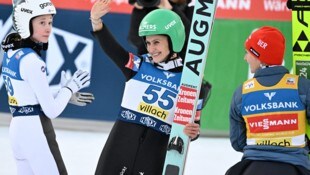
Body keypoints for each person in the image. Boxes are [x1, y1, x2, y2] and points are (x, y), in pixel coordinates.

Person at [90, 0, 210, 174]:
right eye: (147, 43)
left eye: (156, 42)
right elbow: (112, 49)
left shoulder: (190, 81)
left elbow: (194, 128)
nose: (151, 48)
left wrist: (192, 131)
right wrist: (96, 21)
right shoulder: (139, 65)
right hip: (119, 150)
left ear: (173, 40)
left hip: (153, 156)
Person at [1, 0, 93, 174]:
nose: (48, 28)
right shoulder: (33, 61)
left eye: (50, 22)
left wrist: (60, 92)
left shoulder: (11, 53)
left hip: (17, 130)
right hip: (36, 131)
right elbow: (51, 110)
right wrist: (69, 88)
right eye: (41, 22)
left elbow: (28, 95)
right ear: (26, 23)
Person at [226, 26, 310, 175]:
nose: (245, 58)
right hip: (295, 167)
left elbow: (238, 143)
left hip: (252, 167)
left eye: (248, 53)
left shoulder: (242, 93)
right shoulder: (302, 86)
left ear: (259, 57)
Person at [127, 0, 194, 57]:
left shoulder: (191, 11)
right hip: (150, 65)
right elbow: (135, 40)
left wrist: (171, 10)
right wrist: (139, 8)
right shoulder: (147, 9)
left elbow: (192, 39)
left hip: (178, 65)